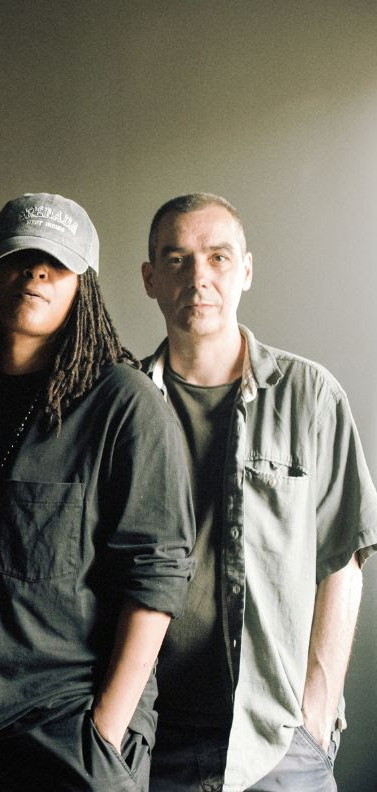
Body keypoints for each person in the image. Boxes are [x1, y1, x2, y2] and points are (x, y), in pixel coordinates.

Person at [0, 193, 194, 791]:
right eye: (19, 257)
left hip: (70, 739)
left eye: (56, 263)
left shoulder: (125, 404)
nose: (36, 272)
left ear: (84, 286)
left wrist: (104, 733)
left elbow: (157, 577)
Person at [140, 193, 376, 792]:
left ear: (246, 270)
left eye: (218, 257)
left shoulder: (309, 396)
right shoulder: (122, 403)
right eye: (177, 259)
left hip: (277, 737)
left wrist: (316, 711)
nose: (198, 277)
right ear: (150, 278)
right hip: (151, 731)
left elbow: (343, 558)